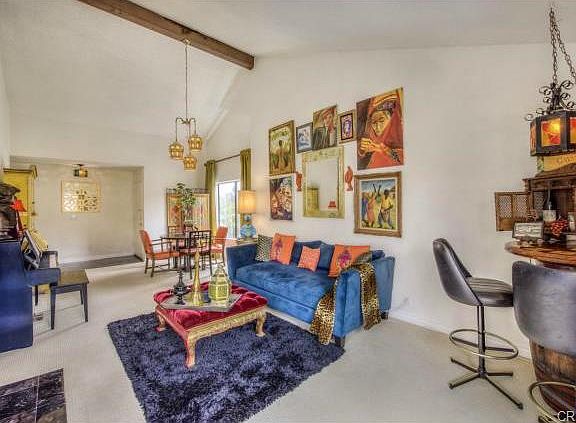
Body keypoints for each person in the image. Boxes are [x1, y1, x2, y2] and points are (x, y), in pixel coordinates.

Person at [358, 90, 404, 169]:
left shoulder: (400, 138)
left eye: (382, 121)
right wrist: (361, 148)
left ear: (391, 119)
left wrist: (383, 150)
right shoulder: (373, 142)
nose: (377, 127)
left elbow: (401, 159)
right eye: (374, 123)